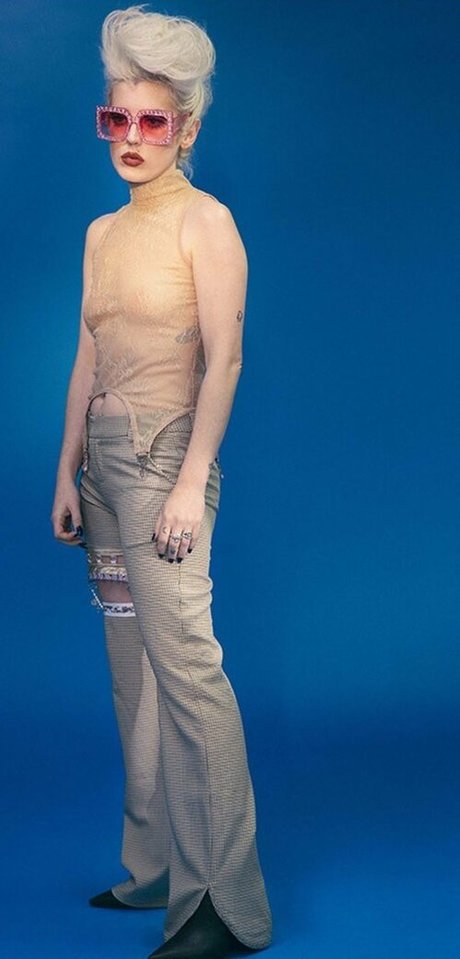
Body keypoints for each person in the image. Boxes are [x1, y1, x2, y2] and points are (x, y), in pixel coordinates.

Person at [50, 5, 272, 959]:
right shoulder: (102, 232)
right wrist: (65, 470)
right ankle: (152, 869)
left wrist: (191, 482)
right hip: (103, 470)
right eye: (117, 118)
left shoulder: (205, 221)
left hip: (162, 464)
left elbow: (224, 359)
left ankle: (222, 901)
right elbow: (87, 352)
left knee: (186, 671)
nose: (132, 137)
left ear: (186, 128)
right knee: (131, 671)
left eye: (153, 120)